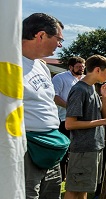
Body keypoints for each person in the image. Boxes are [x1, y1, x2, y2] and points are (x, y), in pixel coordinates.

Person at [22, 12, 67, 199]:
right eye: (58, 39)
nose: (60, 44)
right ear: (40, 35)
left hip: (50, 147)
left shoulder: (41, 66)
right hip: (28, 149)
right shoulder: (8, 63)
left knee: (51, 194)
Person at [64, 54, 106, 199]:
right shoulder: (79, 90)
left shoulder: (92, 89)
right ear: (97, 70)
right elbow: (70, 124)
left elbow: (102, 116)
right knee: (73, 190)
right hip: (82, 148)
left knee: (84, 188)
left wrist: (105, 97)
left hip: (94, 146)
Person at [52, 56, 86, 181]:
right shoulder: (60, 78)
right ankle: (62, 176)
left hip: (82, 120)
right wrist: (71, 108)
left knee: (78, 148)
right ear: (70, 67)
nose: (81, 69)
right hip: (64, 119)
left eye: (83, 67)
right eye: (78, 67)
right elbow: (54, 96)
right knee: (65, 149)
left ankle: (76, 173)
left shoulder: (85, 79)